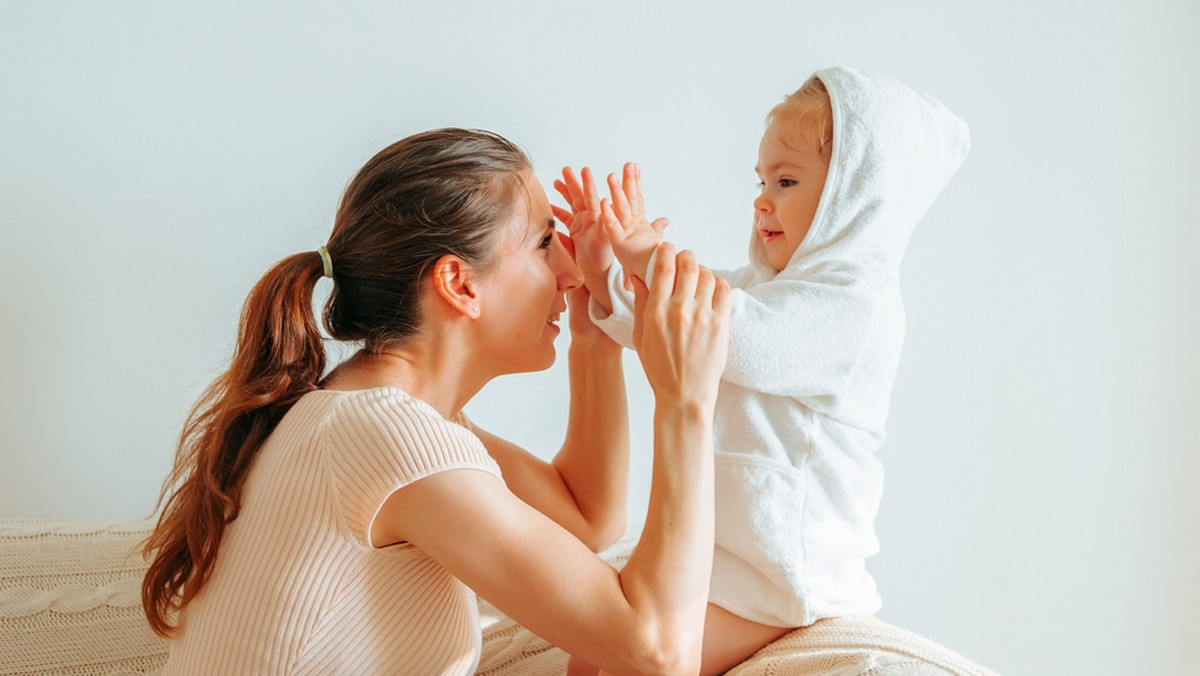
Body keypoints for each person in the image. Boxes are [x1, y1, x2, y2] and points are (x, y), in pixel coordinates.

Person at [140, 127, 733, 675]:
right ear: (459, 284)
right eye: (546, 242)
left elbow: (587, 520)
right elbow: (657, 652)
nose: (570, 270)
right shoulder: (389, 439)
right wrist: (685, 402)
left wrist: (594, 336)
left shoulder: (362, 414)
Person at [556, 66, 972, 674]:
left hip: (788, 577)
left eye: (786, 180)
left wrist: (649, 253)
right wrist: (608, 278)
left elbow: (734, 339)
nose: (761, 200)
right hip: (725, 559)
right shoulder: (765, 289)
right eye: (760, 180)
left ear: (853, 198)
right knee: (589, 655)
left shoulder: (856, 307)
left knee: (621, 661)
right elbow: (669, 329)